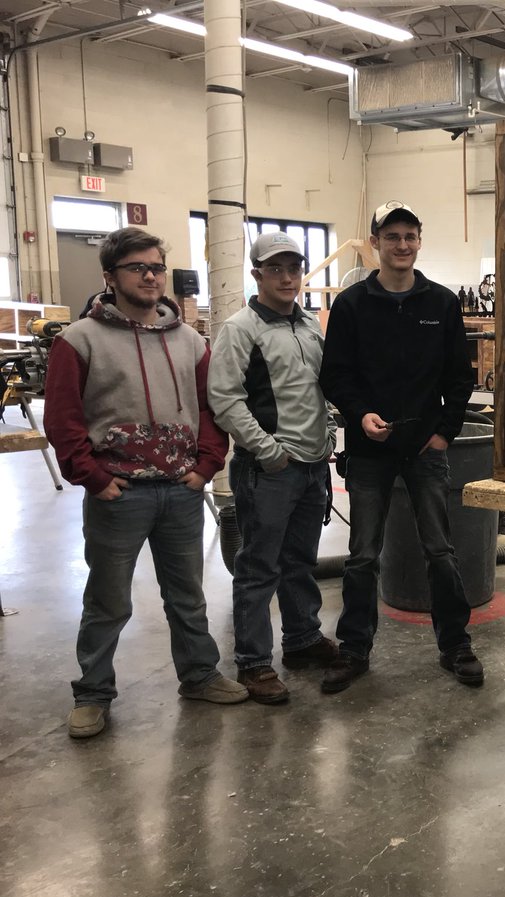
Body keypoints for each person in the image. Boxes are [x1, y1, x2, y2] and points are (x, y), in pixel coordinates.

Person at [43, 226, 247, 740]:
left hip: (181, 490)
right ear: (110, 277)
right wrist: (93, 478)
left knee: (188, 595)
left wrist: (206, 465)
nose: (151, 276)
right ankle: (93, 693)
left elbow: (209, 409)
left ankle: (199, 675)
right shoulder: (79, 340)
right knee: (108, 600)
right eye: (138, 268)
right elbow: (63, 418)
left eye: (156, 267)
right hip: (119, 494)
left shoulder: (189, 341)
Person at [318, 201, 480, 692]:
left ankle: (455, 645)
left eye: (410, 236)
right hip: (370, 451)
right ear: (375, 243)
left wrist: (445, 431)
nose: (402, 245)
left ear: (419, 241)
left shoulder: (441, 303)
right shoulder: (351, 305)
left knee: (441, 551)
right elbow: (335, 375)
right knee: (363, 555)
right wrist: (359, 415)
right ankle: (354, 649)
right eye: (392, 237)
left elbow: (460, 377)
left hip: (425, 449)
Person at [207, 232, 339, 704]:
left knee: (299, 561)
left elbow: (319, 389)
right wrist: (267, 450)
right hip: (269, 469)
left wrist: (327, 434)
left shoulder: (309, 324)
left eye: (294, 268)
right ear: (257, 274)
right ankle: (253, 662)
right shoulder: (240, 329)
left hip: (312, 465)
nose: (287, 278)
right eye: (275, 269)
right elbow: (225, 398)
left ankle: (301, 639)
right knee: (259, 566)